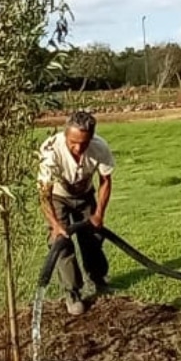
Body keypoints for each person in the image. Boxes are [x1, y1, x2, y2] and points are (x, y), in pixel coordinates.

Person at [37, 110, 114, 315]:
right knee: (61, 243)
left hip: (85, 194)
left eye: (84, 143)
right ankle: (72, 293)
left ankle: (98, 279)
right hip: (57, 196)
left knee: (93, 237)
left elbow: (105, 181)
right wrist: (55, 224)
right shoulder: (50, 151)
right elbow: (44, 193)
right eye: (73, 142)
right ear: (65, 135)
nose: (79, 148)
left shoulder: (99, 147)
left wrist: (99, 214)